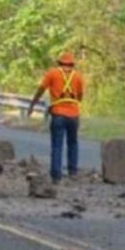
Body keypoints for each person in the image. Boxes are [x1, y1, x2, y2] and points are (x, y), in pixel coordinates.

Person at [28, 52, 84, 183]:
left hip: (58, 113)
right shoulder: (78, 76)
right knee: (73, 143)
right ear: (72, 64)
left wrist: (32, 104)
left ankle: (56, 175)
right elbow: (80, 95)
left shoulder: (52, 73)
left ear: (59, 63)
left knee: (57, 145)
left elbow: (41, 89)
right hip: (74, 114)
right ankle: (72, 171)